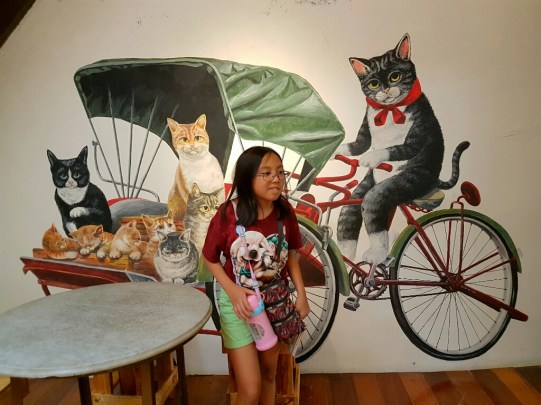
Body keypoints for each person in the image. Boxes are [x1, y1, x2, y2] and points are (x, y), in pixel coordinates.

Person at [202, 146, 310, 405]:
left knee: (269, 376)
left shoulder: (284, 211)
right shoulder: (228, 214)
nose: (276, 179)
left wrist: (302, 294)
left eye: (280, 172)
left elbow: (291, 255)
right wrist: (232, 291)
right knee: (250, 391)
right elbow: (209, 258)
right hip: (239, 306)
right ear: (247, 177)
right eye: (266, 173)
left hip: (274, 304)